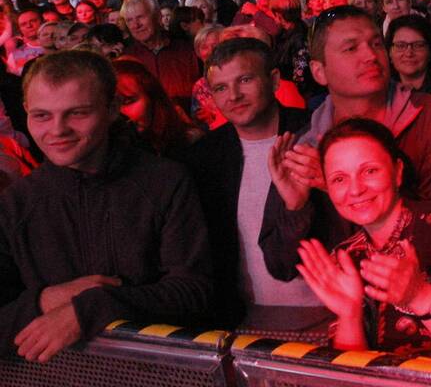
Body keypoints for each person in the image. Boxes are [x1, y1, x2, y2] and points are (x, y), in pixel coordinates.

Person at [0, 50, 212, 361]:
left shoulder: (164, 182)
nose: (58, 130)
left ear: (112, 109)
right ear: (26, 111)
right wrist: (46, 301)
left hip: (157, 373)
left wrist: (93, 307)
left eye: (77, 113)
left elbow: (195, 293)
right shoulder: (16, 203)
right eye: (42, 115)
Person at [294, 118, 431, 364]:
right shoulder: (346, 256)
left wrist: (420, 297)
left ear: (397, 172)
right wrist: (349, 315)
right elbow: (348, 379)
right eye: (339, 179)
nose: (355, 189)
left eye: (369, 171)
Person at [177, 38, 326, 330]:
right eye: (220, 88)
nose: (233, 95)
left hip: (325, 313)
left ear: (272, 81)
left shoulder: (317, 133)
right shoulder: (203, 159)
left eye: (244, 80)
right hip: (244, 319)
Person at [294, 6, 431, 203]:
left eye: (376, 44)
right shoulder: (307, 146)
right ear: (319, 71)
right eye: (351, 48)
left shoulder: (428, 116)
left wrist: (345, 191)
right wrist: (295, 208)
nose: (371, 56)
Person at [120, 0, 201, 110]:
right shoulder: (126, 59)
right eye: (129, 20)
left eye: (140, 17)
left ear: (158, 17)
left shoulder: (187, 50)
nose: (136, 25)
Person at [114, 58, 203, 157]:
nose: (119, 113)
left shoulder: (190, 142)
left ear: (152, 97)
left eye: (127, 101)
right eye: (109, 105)